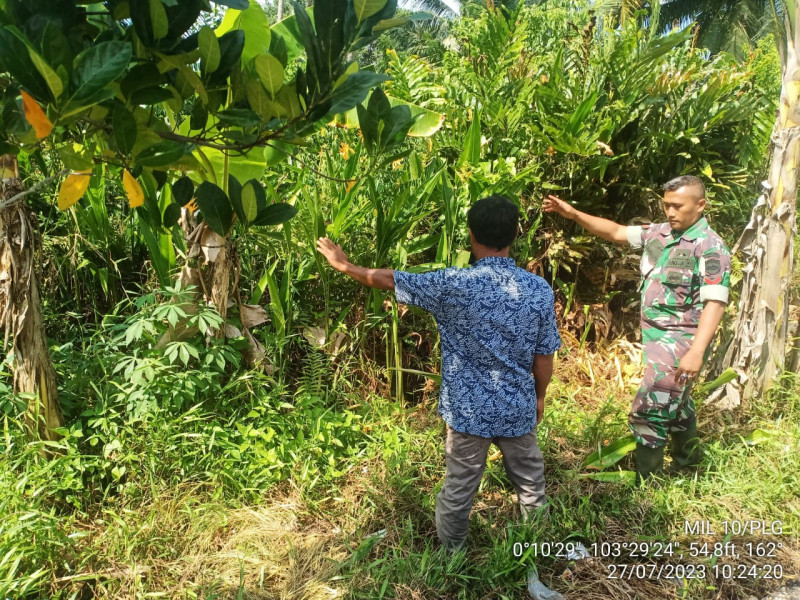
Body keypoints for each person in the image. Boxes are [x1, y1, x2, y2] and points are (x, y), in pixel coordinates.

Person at [316, 194, 561, 550]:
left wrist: (345, 266)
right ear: (514, 235)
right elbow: (544, 357)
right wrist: (538, 397)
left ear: (472, 236)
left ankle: (452, 557)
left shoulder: (451, 285)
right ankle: (534, 553)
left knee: (459, 489)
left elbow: (389, 279)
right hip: (516, 406)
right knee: (530, 485)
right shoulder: (537, 290)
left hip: (467, 412)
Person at [542, 175, 731, 481]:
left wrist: (696, 352)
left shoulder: (710, 248)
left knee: (649, 408)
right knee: (677, 403)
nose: (670, 211)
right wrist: (574, 214)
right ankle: (689, 464)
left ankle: (649, 482)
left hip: (682, 339)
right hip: (655, 337)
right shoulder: (659, 233)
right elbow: (616, 231)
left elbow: (715, 303)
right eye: (666, 204)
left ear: (700, 205)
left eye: (678, 206)